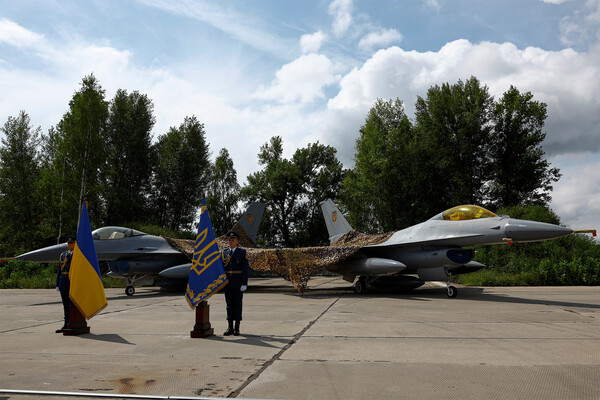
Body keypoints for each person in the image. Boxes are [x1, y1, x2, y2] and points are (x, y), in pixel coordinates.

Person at [222, 231, 249, 336]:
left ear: (237, 241)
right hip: (227, 283)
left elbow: (245, 269)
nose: (230, 241)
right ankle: (230, 327)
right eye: (229, 240)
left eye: (233, 240)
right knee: (229, 305)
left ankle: (237, 328)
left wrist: (244, 283)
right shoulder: (224, 253)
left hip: (238, 283)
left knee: (237, 305)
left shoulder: (242, 252)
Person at [56, 235, 75, 333]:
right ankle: (66, 324)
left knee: (73, 304)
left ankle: (73, 323)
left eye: (71, 243)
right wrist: (57, 283)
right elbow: (59, 270)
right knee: (65, 304)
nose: (69, 245)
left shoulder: (78, 255)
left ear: (75, 244)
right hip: (63, 282)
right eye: (68, 243)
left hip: (72, 282)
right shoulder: (63, 255)